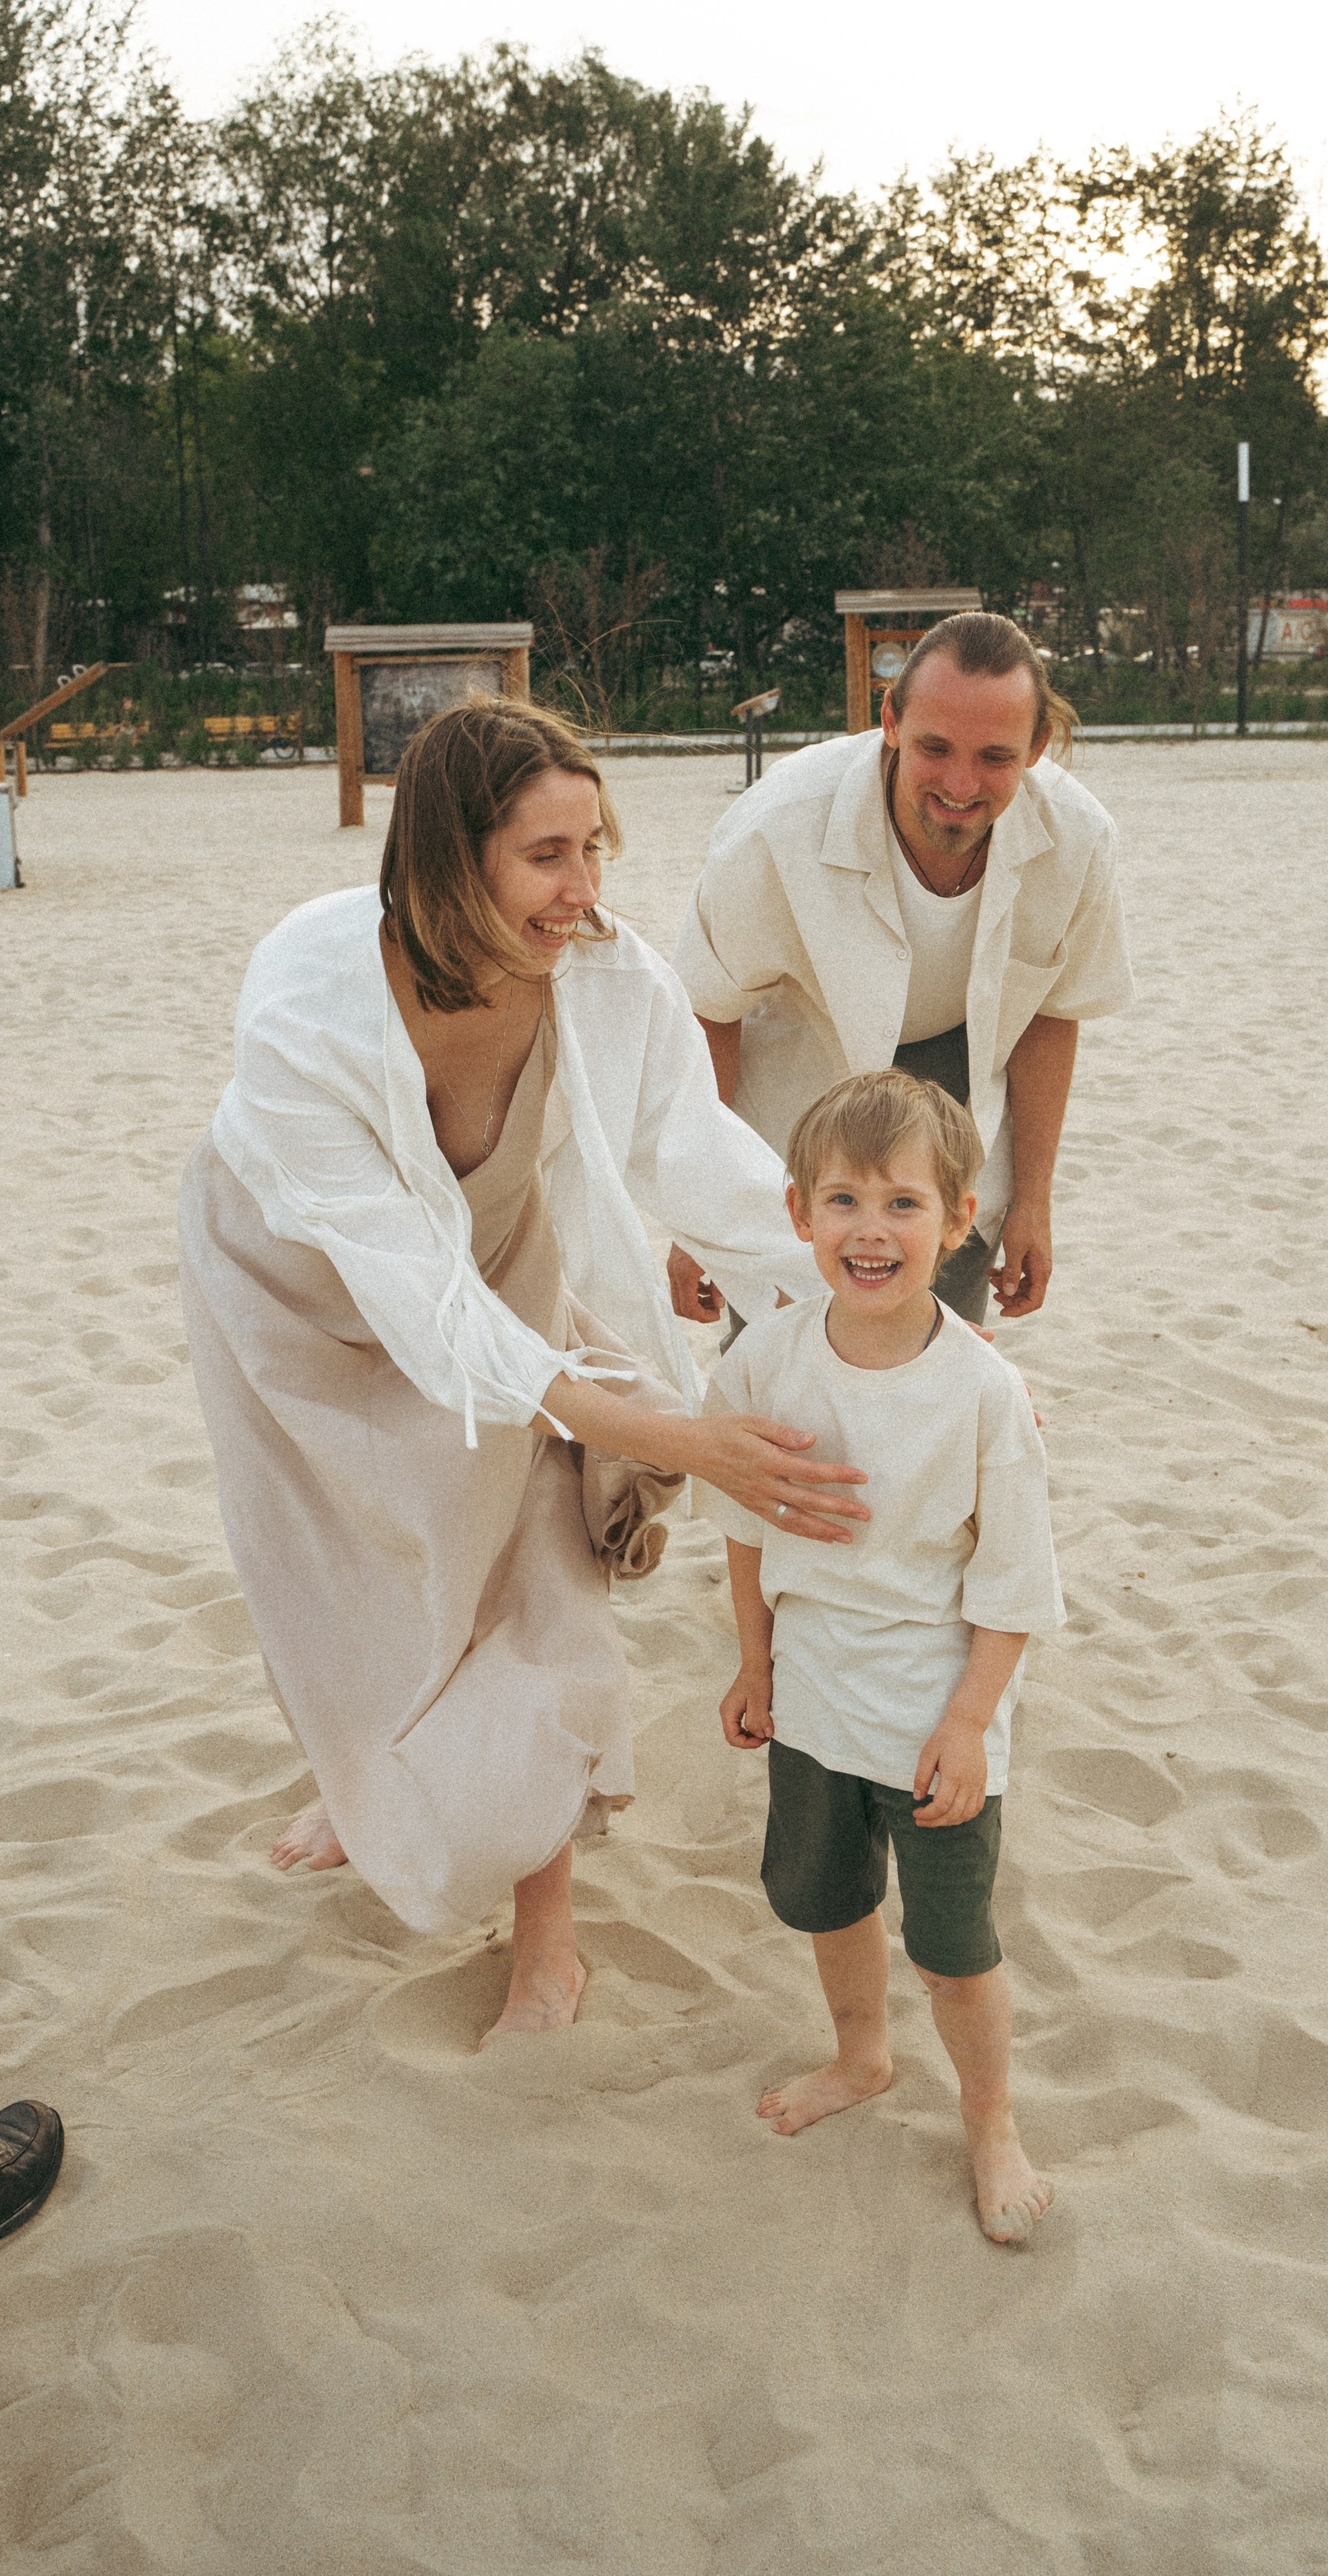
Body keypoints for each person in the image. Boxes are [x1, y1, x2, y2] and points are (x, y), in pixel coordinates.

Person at [179, 701, 869, 2046]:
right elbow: (426, 1319)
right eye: (547, 857)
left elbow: (708, 1166)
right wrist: (683, 1440)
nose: (585, 891)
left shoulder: (602, 974)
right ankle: (362, 1770)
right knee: (336, 1575)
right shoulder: (307, 1001)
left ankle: (548, 1939)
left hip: (493, 1261)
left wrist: (862, 1293)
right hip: (291, 1298)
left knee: (527, 1548)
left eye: (593, 847)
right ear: (452, 861)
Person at [708, 1068, 1065, 2245]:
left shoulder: (983, 1393)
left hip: (934, 1718)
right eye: (844, 1201)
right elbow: (748, 1529)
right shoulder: (764, 1359)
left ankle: (992, 2121)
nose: (872, 1230)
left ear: (959, 1223)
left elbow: (1013, 1583)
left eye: (904, 1205)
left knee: (955, 1950)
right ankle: (861, 2060)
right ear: (801, 1216)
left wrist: (968, 1725)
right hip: (812, 1698)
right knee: (829, 1899)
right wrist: (753, 1663)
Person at [670, 610, 1132, 1330]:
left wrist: (1034, 1199)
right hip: (803, 1063)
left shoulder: (1079, 839)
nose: (959, 783)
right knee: (785, 1358)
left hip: (964, 1068)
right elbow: (708, 1009)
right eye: (935, 747)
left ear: (1039, 746)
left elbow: (1052, 1010)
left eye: (995, 758)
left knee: (943, 1360)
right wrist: (705, 1210)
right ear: (890, 719)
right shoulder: (776, 827)